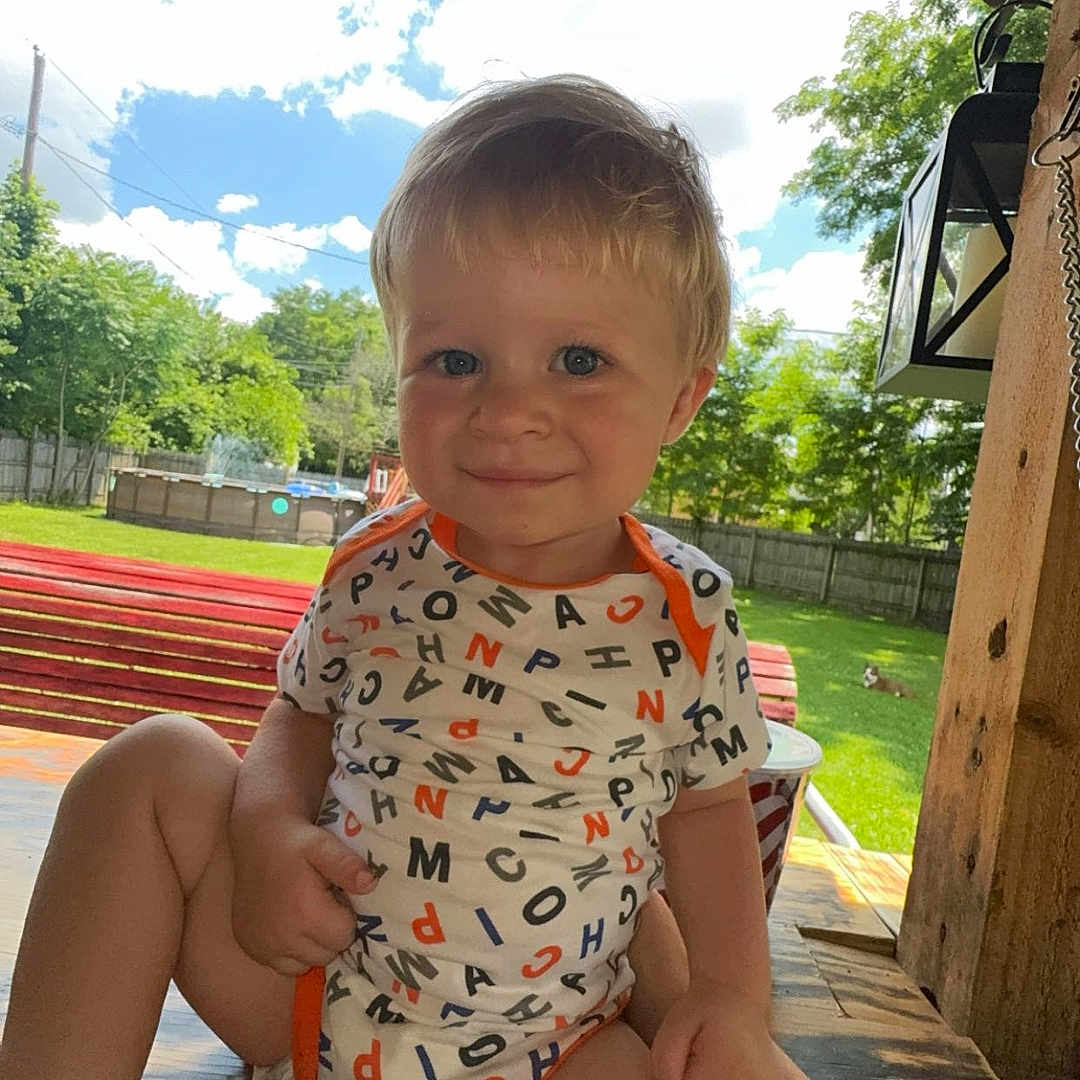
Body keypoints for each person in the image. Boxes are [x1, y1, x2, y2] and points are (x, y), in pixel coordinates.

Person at [0, 75, 807, 1080]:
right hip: (315, 989)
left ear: (682, 397)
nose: (511, 409)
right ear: (399, 359)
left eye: (579, 360)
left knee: (722, 1057)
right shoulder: (373, 565)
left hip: (562, 1049)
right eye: (457, 359)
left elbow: (707, 812)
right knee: (148, 767)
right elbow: (298, 713)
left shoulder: (684, 614)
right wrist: (266, 830)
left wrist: (735, 1000)